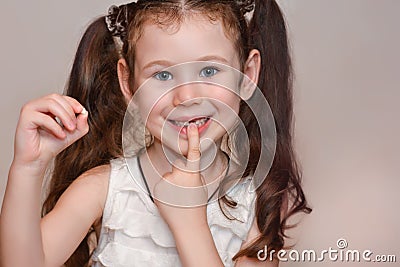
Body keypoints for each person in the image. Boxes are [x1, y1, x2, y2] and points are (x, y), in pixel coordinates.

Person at [0, 0, 311, 266]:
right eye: (162, 75)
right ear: (128, 83)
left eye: (209, 71)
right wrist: (28, 168)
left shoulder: (256, 202)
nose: (187, 96)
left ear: (247, 75)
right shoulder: (104, 188)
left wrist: (189, 223)